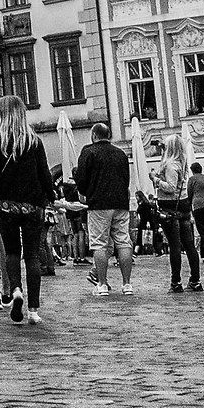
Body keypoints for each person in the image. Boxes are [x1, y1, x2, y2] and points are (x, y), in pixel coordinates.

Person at [0, 95, 54, 326]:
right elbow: (45, 174)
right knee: (32, 256)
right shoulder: (33, 140)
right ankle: (33, 309)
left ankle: (15, 289)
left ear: (2, 113)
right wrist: (50, 197)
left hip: (5, 205)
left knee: (11, 252)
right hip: (32, 205)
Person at [73, 122, 133, 295]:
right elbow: (126, 180)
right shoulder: (120, 153)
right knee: (123, 241)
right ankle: (127, 284)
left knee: (99, 243)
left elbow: (82, 179)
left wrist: (85, 192)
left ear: (93, 136)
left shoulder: (88, 151)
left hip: (99, 203)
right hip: (120, 203)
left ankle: (102, 284)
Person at [150, 136, 201, 293]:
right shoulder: (182, 163)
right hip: (183, 205)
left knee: (174, 246)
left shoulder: (171, 165)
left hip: (171, 207)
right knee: (189, 244)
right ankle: (195, 280)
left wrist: (156, 180)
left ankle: (176, 281)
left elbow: (171, 187)